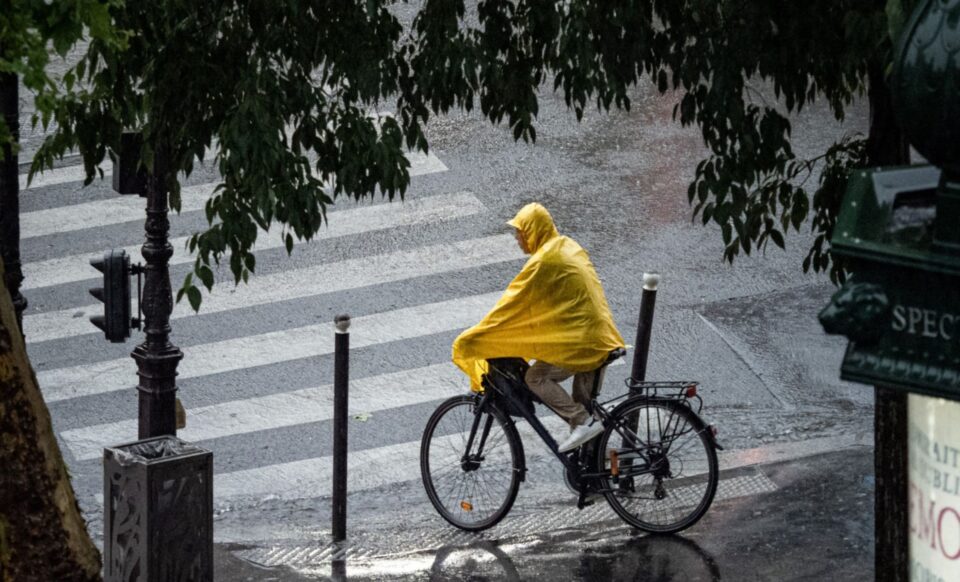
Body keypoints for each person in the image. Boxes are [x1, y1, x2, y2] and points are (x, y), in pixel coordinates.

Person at [452, 202, 625, 453]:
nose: (517, 238)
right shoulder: (565, 245)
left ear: (533, 231)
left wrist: (479, 335)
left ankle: (581, 422)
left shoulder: (545, 260)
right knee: (583, 405)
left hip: (584, 341)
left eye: (520, 232)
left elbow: (513, 303)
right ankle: (599, 471)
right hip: (599, 335)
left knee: (535, 377)